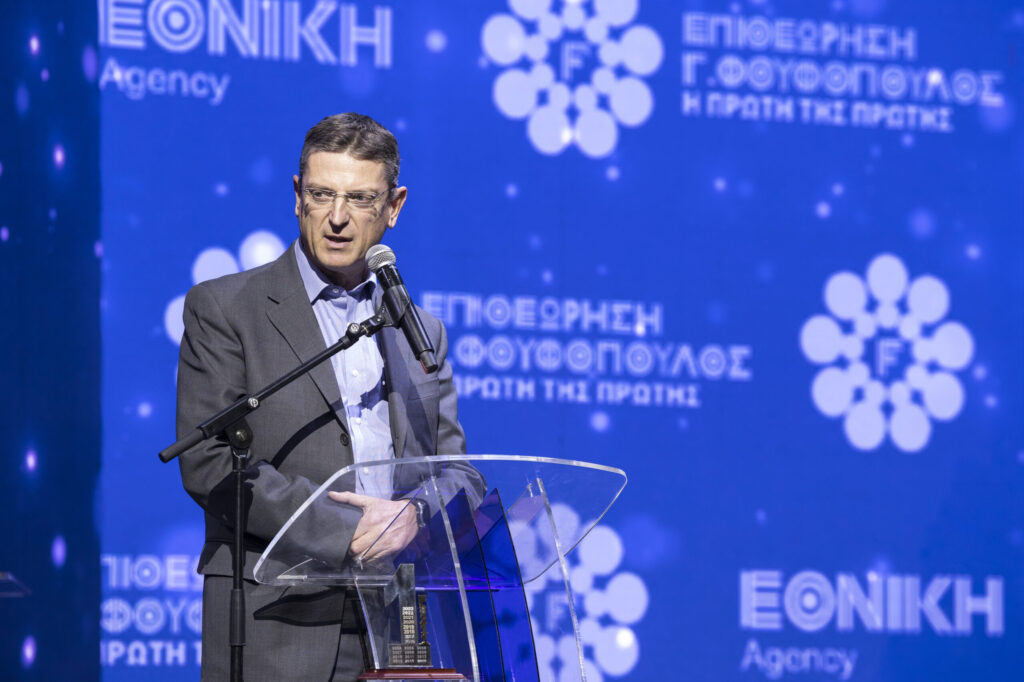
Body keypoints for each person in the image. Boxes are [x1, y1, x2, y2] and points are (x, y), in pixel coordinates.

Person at [176, 113, 483, 681]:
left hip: (398, 619)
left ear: (394, 207)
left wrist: (414, 513)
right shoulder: (227, 309)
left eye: (360, 198)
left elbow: (458, 472)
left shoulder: (421, 331)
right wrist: (349, 532)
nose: (337, 217)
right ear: (298, 196)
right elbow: (210, 463)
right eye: (321, 194)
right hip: (277, 619)